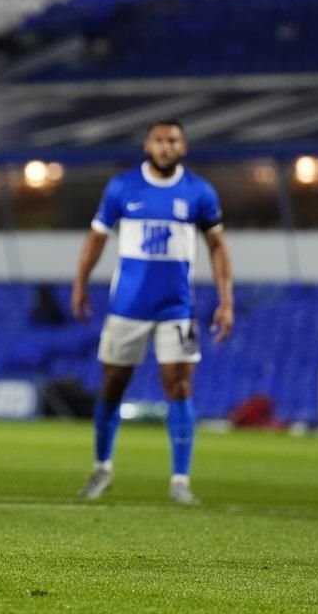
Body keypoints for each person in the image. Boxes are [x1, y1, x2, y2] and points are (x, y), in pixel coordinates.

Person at [71, 120, 234, 504]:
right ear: (148, 144)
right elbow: (96, 239)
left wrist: (227, 300)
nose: (165, 147)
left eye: (173, 140)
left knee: (180, 388)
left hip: (177, 308)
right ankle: (102, 468)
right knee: (112, 387)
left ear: (184, 146)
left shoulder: (199, 192)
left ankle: (180, 480)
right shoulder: (122, 187)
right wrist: (80, 283)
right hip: (126, 308)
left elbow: (218, 247)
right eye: (159, 140)